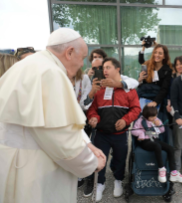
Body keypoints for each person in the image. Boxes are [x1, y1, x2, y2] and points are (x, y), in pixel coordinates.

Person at [0, 28, 106, 203]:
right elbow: (61, 139)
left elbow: (55, 122)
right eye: (82, 57)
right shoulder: (51, 73)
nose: (82, 64)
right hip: (32, 170)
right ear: (69, 52)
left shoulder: (29, 65)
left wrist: (88, 145)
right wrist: (92, 163)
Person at [86, 57, 141, 201]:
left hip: (120, 134)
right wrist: (94, 118)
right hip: (101, 134)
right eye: (103, 68)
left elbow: (136, 109)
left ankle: (118, 181)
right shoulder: (99, 89)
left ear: (118, 69)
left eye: (108, 67)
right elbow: (93, 109)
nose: (105, 70)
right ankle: (100, 183)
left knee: (120, 159)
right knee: (99, 158)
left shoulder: (128, 89)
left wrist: (125, 120)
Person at [132, 106, 182, 183]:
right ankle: (161, 168)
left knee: (170, 148)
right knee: (157, 146)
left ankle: (173, 172)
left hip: (155, 139)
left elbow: (162, 130)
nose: (154, 117)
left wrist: (159, 125)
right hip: (145, 141)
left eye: (155, 115)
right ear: (146, 116)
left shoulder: (156, 120)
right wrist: (142, 134)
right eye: (152, 116)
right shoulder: (140, 120)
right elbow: (133, 131)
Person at [138, 42, 173, 108]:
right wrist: (140, 79)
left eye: (160, 53)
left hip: (158, 99)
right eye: (155, 52)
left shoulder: (167, 70)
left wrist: (155, 102)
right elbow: (141, 83)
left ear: (164, 56)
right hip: (143, 97)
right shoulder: (147, 65)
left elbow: (164, 89)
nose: (157, 55)